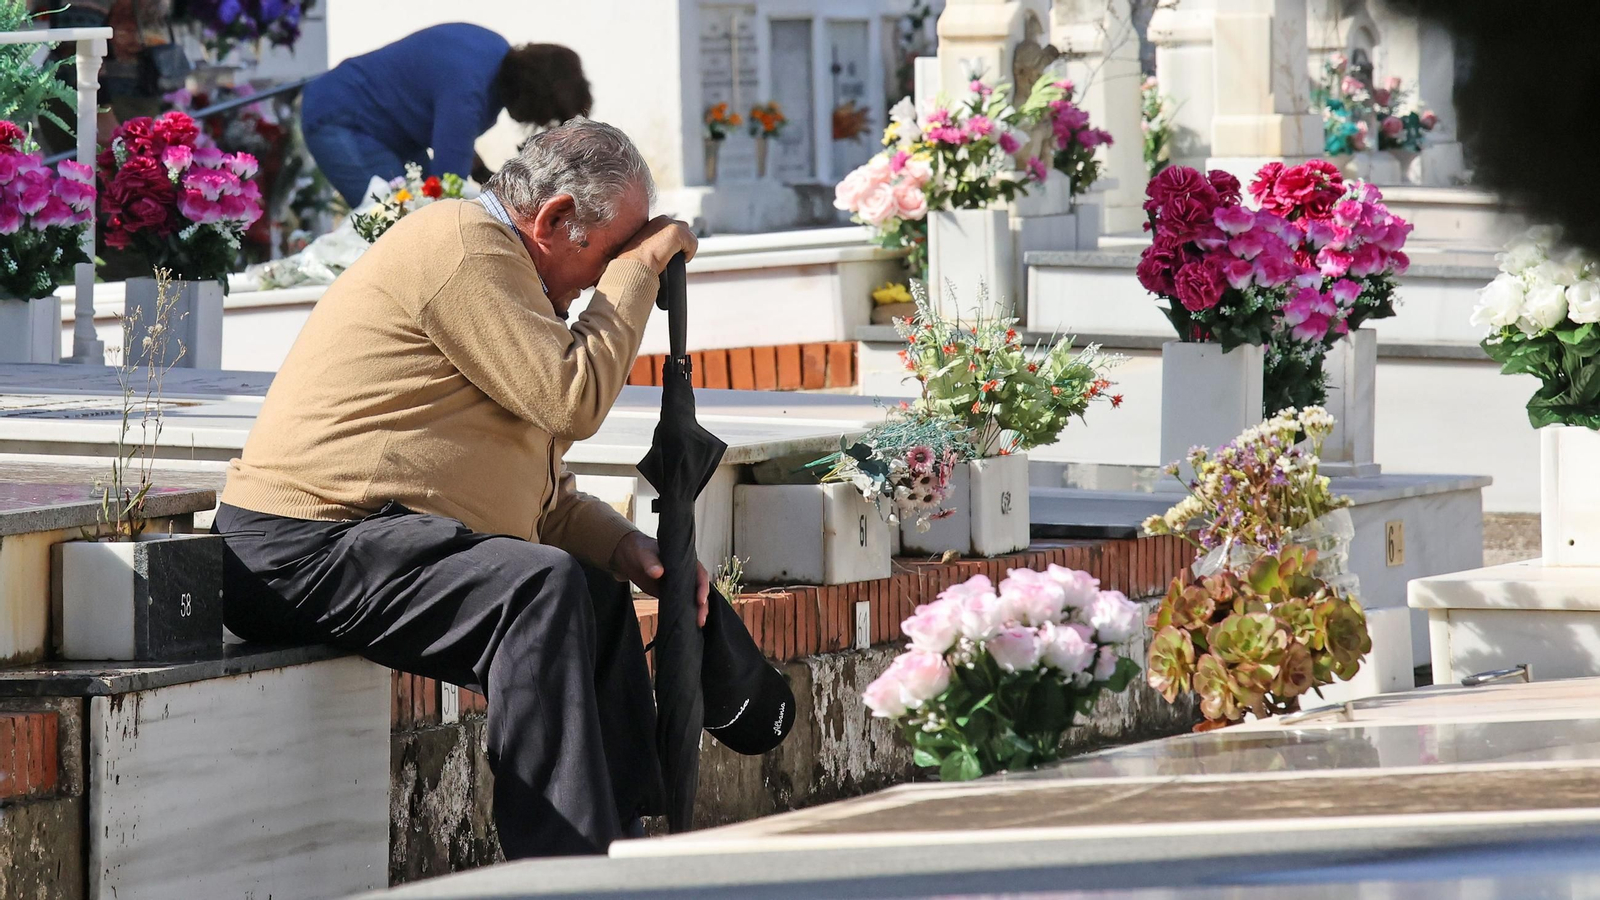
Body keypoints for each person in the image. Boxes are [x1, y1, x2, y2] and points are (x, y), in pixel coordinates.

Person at [212, 118, 706, 858]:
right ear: (554, 218)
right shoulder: (466, 247)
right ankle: (563, 866)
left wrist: (628, 549)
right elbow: (571, 399)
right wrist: (637, 274)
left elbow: (540, 494)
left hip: (375, 538)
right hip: (298, 548)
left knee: (592, 591)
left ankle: (623, 839)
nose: (601, 281)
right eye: (606, 256)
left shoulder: (513, 279)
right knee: (536, 589)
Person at [300, 23, 592, 205]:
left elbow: (449, 133)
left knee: (413, 211)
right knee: (399, 222)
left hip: (394, 132)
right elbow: (445, 193)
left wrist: (482, 173)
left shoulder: (492, 51)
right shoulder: (468, 95)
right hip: (342, 119)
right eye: (544, 116)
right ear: (533, 95)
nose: (538, 123)